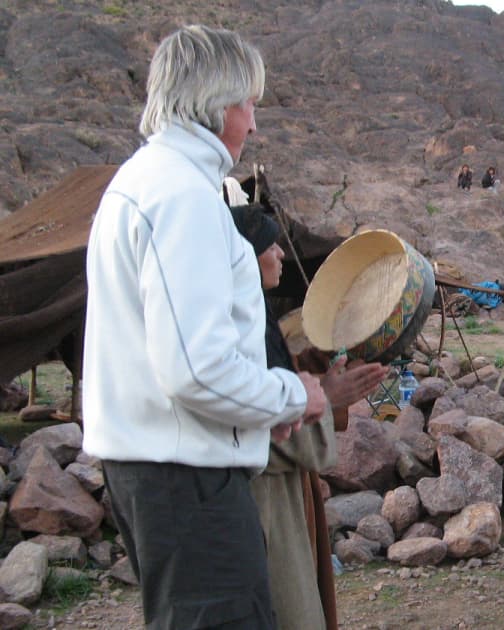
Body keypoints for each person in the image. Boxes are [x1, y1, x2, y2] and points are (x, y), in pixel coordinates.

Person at [82, 25, 328, 628]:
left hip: (163, 476)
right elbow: (195, 369)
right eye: (249, 105)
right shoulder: (180, 197)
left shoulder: (146, 182)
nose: (253, 123)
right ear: (217, 103)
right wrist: (295, 394)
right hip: (185, 482)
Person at [230, 205, 388, 630]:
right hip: (262, 496)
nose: (280, 253)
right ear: (242, 253)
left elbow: (280, 374)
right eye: (269, 244)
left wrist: (322, 364)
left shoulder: (254, 318)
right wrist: (330, 395)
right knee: (288, 606)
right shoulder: (233, 328)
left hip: (285, 491)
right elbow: (250, 414)